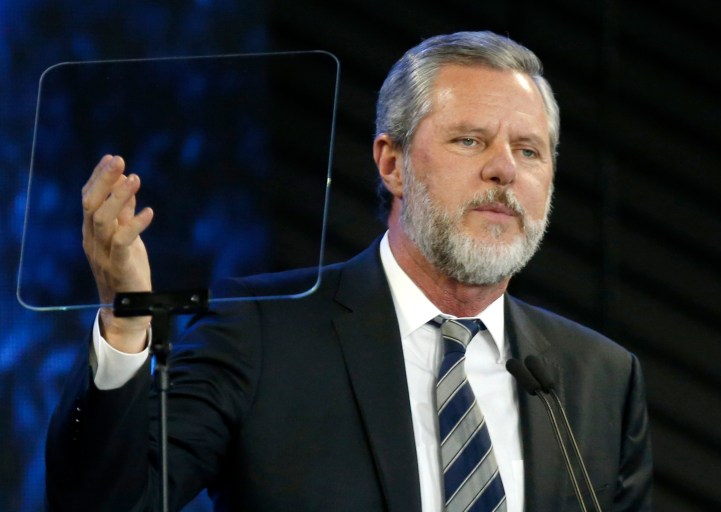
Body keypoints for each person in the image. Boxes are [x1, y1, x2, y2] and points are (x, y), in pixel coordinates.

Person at [46, 31, 652, 511]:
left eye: (529, 150)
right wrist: (125, 326)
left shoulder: (599, 378)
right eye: (469, 141)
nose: (504, 170)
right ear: (392, 164)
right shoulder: (259, 332)